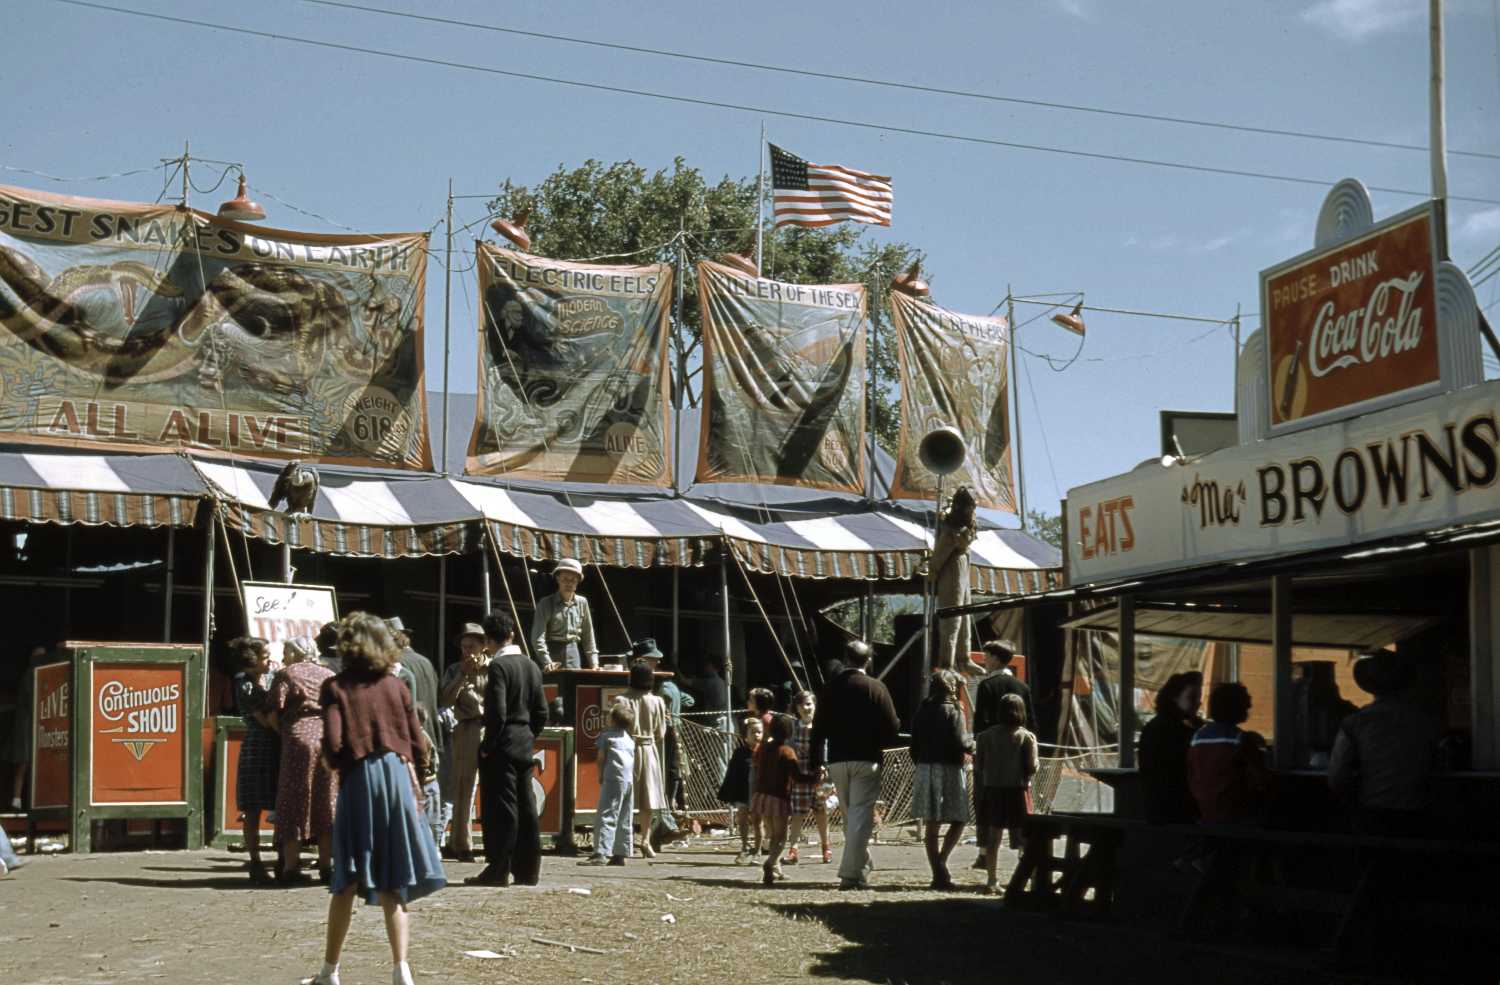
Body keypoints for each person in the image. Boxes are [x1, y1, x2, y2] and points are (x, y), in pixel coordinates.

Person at [310, 613, 445, 985]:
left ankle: (330, 971)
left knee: (347, 878)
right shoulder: (396, 686)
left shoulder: (335, 687)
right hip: (399, 777)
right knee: (394, 878)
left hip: (360, 779)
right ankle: (401, 968)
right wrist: (418, 777)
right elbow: (419, 742)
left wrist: (333, 762)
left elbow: (335, 743)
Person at [811, 639, 900, 890]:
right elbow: (892, 726)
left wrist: (816, 760)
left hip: (837, 759)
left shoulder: (829, 688)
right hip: (867, 757)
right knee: (860, 816)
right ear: (868, 661)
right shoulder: (876, 687)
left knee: (852, 816)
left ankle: (862, 864)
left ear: (846, 658)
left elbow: (818, 728)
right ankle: (850, 874)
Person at [470, 610, 549, 887]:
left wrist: (488, 745)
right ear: (513, 634)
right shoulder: (531, 665)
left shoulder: (498, 667)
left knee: (503, 809)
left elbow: (497, 712)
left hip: (503, 744)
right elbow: (541, 711)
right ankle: (528, 869)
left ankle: (498, 868)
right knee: (527, 806)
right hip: (524, 741)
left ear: (489, 641)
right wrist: (529, 734)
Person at [1328, 650, 1440, 837]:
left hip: (1371, 814)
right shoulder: (1426, 721)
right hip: (1418, 815)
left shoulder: (1356, 723)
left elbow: (1337, 777)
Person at [269, 636, 338, 883]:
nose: (285, 656)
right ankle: (326, 866)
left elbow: (275, 711)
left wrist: (286, 733)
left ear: (296, 653)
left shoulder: (286, 674)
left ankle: (290, 867)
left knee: (293, 800)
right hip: (327, 739)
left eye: (287, 651)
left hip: (298, 738)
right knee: (326, 801)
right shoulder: (328, 675)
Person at [911, 670, 974, 890]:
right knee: (959, 818)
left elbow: (914, 742)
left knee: (932, 823)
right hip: (949, 768)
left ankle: (938, 869)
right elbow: (961, 741)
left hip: (926, 766)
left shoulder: (923, 708)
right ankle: (941, 863)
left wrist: (921, 761)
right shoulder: (955, 709)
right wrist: (976, 747)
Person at [974, 693, 1039, 894]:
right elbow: (1031, 766)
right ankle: (1029, 878)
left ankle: (992, 880)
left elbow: (979, 765)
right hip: (1018, 791)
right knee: (1026, 837)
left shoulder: (984, 737)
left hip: (993, 789)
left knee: (994, 837)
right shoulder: (1026, 737)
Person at [389, 620, 444, 852]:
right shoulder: (426, 662)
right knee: (431, 794)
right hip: (429, 733)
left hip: (409, 737)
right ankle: (433, 845)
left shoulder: (399, 667)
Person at [1188, 683, 1273, 825]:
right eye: (1246, 705)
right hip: (1236, 817)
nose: (1249, 708)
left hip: (1205, 813)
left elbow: (1191, 774)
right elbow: (1260, 779)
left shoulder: (1198, 737)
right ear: (1236, 707)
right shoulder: (1240, 739)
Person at [230, 637, 279, 884]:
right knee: (252, 808)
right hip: (259, 745)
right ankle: (256, 861)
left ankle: (283, 858)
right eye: (264, 655)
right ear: (252, 660)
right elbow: (266, 720)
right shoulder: (244, 684)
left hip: (275, 745)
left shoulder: (272, 676)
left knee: (280, 804)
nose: (269, 659)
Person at [438, 623, 487, 862]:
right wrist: (462, 675)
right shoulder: (454, 669)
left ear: (483, 646)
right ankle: (460, 842)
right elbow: (445, 699)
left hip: (487, 727)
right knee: (461, 786)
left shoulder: (493, 668)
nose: (468, 652)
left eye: (472, 647)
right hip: (465, 729)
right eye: (464, 647)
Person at [753, 713, 815, 887]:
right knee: (781, 838)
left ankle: (774, 871)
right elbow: (797, 776)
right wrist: (815, 777)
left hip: (761, 796)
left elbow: (756, 765)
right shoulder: (787, 752)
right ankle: (770, 863)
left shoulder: (763, 748)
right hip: (778, 798)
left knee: (772, 834)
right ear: (790, 732)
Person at [1138, 672, 1205, 825]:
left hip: (1158, 809)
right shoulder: (1177, 731)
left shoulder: (1154, 727)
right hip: (1177, 810)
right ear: (1175, 698)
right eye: (1192, 697)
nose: (1198, 703)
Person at [620, 659, 669, 859]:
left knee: (625, 797)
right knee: (648, 799)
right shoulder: (658, 701)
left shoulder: (621, 700)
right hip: (648, 750)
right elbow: (661, 733)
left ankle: (624, 840)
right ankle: (646, 839)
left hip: (626, 749)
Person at [581, 699, 636, 866]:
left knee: (607, 813)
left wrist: (600, 774)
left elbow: (600, 758)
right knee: (625, 815)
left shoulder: (606, 736)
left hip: (612, 778)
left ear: (612, 720)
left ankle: (601, 852)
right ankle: (621, 852)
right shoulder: (629, 739)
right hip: (628, 780)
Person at [928, 486, 977, 671]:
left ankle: (964, 657)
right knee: (952, 617)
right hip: (952, 567)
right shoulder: (951, 528)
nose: (972, 511)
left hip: (962, 565)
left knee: (965, 614)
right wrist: (933, 571)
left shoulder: (965, 524)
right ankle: (947, 663)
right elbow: (941, 552)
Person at [786, 690, 831, 866]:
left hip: (820, 775)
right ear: (797, 708)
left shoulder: (821, 726)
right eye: (802, 704)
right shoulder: (793, 727)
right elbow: (789, 749)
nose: (806, 708)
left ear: (815, 705)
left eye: (809, 704)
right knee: (797, 812)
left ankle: (826, 847)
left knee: (821, 811)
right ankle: (793, 849)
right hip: (800, 774)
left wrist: (825, 766)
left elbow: (827, 747)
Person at [529, 558, 599, 671]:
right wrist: (547, 661)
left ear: (577, 582)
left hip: (574, 656)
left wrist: (594, 664)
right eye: (565, 578)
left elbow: (588, 635)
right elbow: (537, 638)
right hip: (552, 654)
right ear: (558, 578)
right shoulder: (546, 603)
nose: (569, 583)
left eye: (573, 580)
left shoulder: (582, 602)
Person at [718, 717, 762, 862]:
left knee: (757, 821)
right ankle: (744, 846)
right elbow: (732, 774)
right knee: (742, 818)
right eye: (753, 732)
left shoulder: (765, 753)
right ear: (745, 736)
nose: (756, 735)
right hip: (742, 792)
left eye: (759, 732)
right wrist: (729, 793)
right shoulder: (739, 753)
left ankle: (758, 848)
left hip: (758, 793)